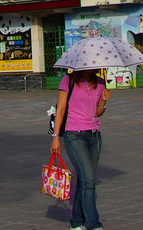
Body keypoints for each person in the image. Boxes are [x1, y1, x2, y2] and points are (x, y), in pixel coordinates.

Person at [50, 67, 110, 230]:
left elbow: (98, 112)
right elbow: (61, 109)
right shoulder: (69, 80)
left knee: (85, 179)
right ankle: (94, 223)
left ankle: (76, 221)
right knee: (89, 180)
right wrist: (55, 137)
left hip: (94, 136)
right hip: (74, 135)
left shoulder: (100, 82)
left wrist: (104, 101)